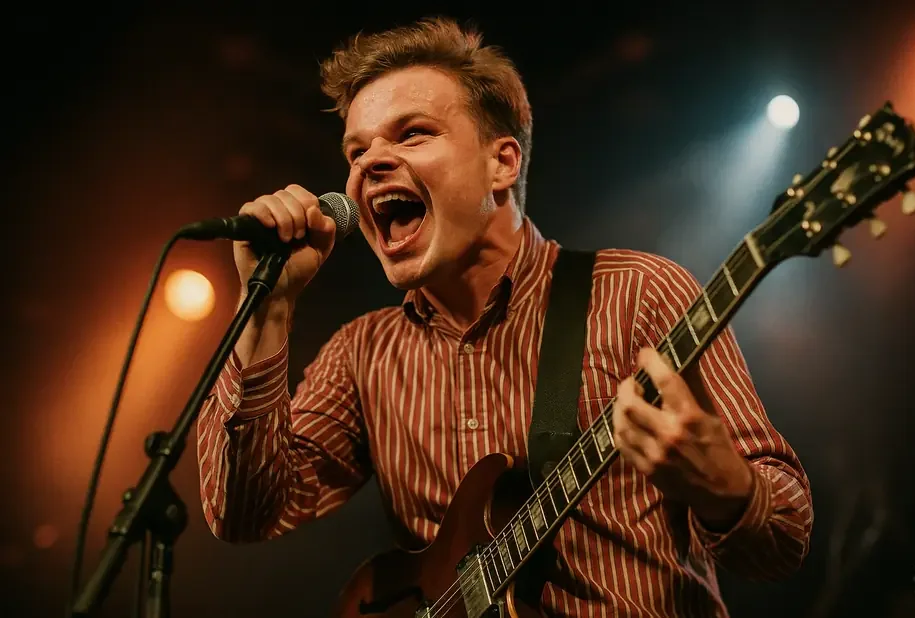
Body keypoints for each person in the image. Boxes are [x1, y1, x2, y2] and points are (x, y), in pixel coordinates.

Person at [196, 16, 813, 616]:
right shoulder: (364, 353)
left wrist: (726, 488)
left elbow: (784, 538)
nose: (367, 165)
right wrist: (268, 306)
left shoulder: (637, 294)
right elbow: (241, 514)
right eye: (356, 150)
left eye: (412, 134)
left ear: (503, 163)